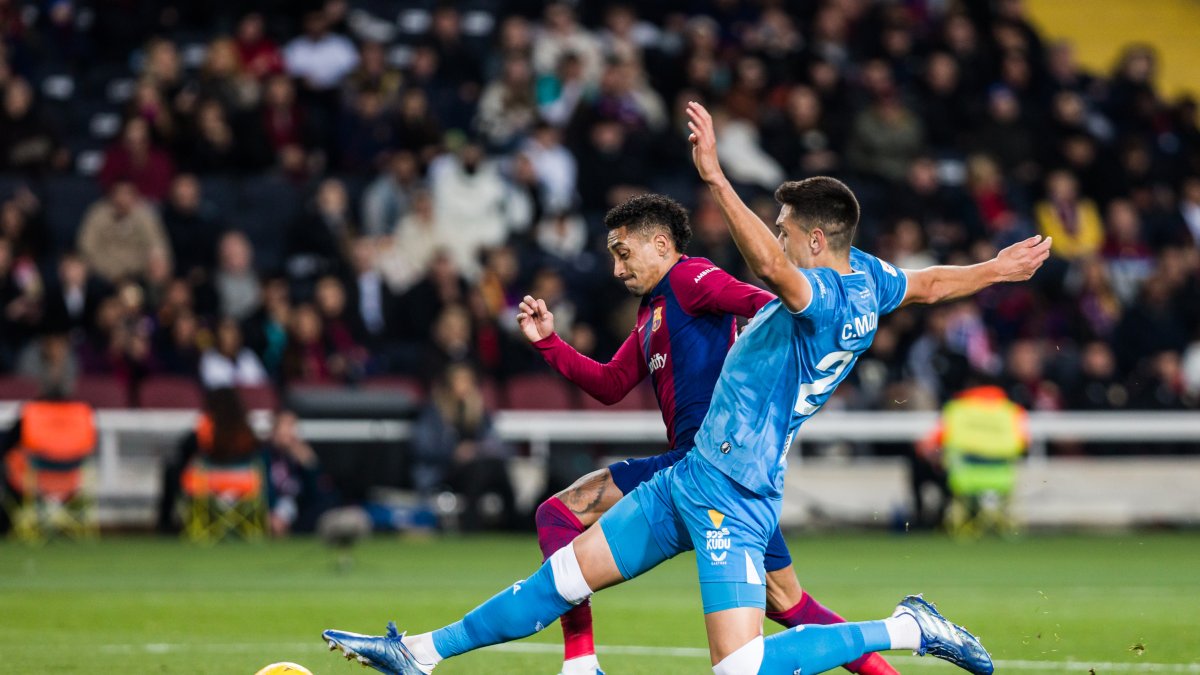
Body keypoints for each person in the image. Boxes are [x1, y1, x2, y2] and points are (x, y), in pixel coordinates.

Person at [320, 102, 1050, 675]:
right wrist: (995, 269)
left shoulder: (819, 296)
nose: (778, 236)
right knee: (560, 578)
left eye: (786, 229)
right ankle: (419, 653)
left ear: (815, 242)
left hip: (737, 487)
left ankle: (908, 626)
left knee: (740, 664)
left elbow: (770, 271)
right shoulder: (870, 278)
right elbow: (927, 284)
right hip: (695, 471)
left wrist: (716, 177)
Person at [516, 193, 897, 675]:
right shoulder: (653, 310)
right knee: (787, 602)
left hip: (705, 463)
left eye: (623, 253)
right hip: (718, 472)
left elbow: (769, 304)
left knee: (557, 513)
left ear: (660, 244)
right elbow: (611, 384)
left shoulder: (692, 278)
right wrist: (550, 343)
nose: (617, 269)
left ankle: (580, 661)